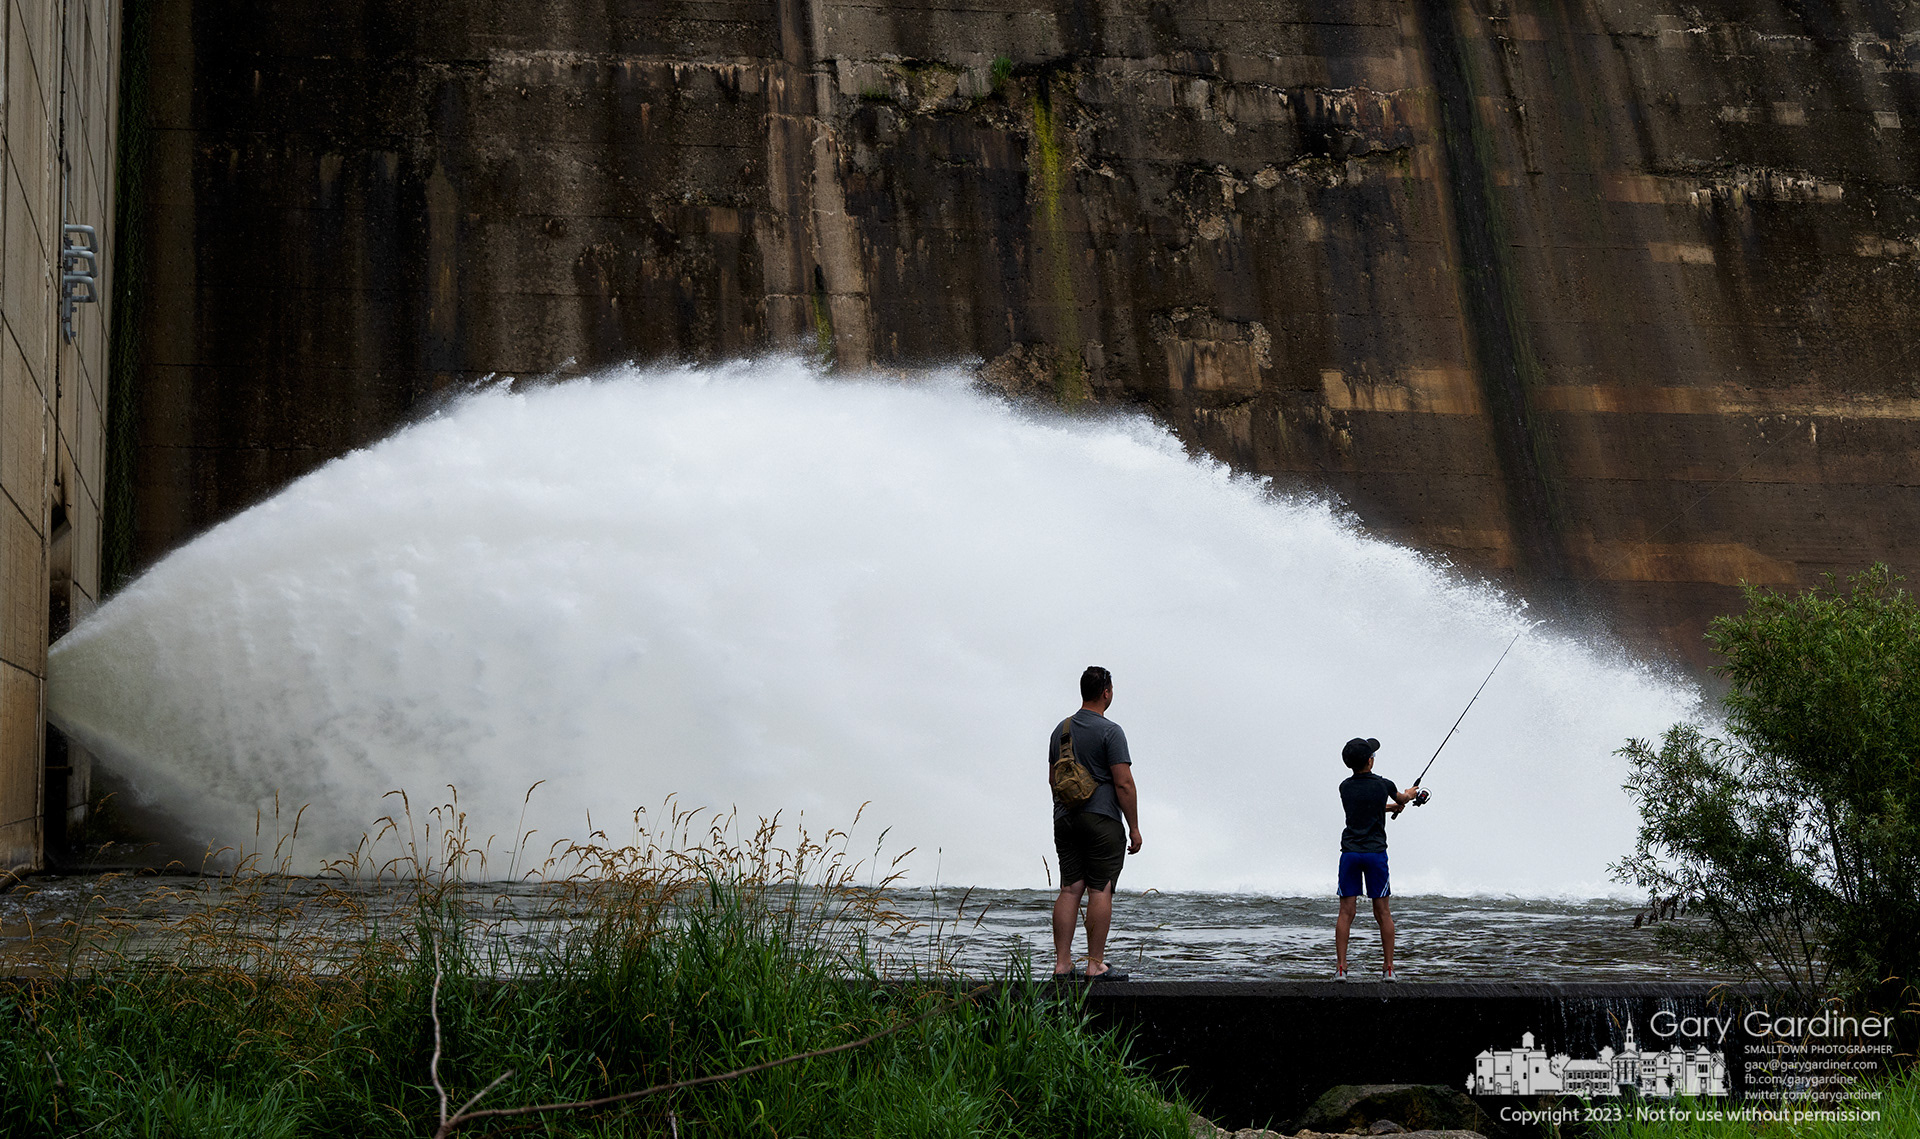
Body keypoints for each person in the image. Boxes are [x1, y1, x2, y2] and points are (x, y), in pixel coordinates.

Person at [1048, 665, 1142, 982]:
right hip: (1102, 819)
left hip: (1065, 819)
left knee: (1070, 889)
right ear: (1106, 692)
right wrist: (1134, 828)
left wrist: (1064, 813)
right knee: (1099, 889)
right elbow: (1124, 783)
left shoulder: (1060, 731)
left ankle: (1062, 966)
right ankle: (1094, 965)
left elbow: (1053, 780)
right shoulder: (1110, 731)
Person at [1335, 736, 1419, 981]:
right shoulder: (1384, 784)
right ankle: (1388, 969)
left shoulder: (1344, 787)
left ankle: (1341, 969)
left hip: (1350, 853)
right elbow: (1402, 799)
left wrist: (1389, 808)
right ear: (1370, 762)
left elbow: (1363, 806)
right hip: (1375, 854)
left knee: (1345, 913)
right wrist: (1409, 794)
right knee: (1382, 912)